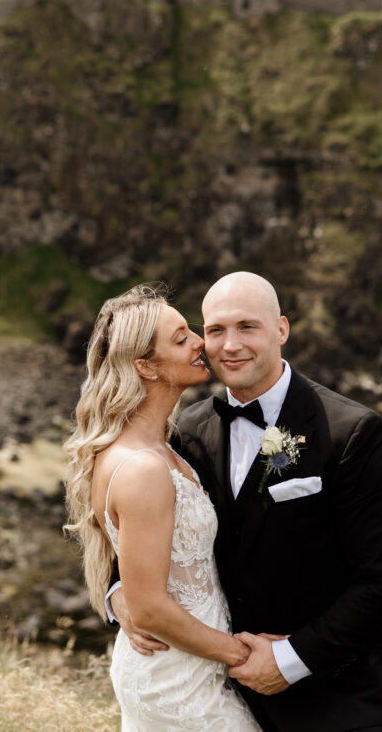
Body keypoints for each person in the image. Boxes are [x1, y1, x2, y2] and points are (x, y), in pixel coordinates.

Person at [109, 272, 382, 732]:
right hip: (216, 691)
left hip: (332, 699)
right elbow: (136, 524)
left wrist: (290, 659)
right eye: (215, 330)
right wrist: (122, 598)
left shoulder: (354, 433)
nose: (230, 345)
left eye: (247, 327)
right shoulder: (186, 433)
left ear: (282, 330)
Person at [64, 284, 263, 731]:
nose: (200, 343)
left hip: (190, 669)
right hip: (176, 683)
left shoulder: (165, 446)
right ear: (145, 366)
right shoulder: (142, 468)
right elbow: (149, 607)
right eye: (180, 338)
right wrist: (241, 654)